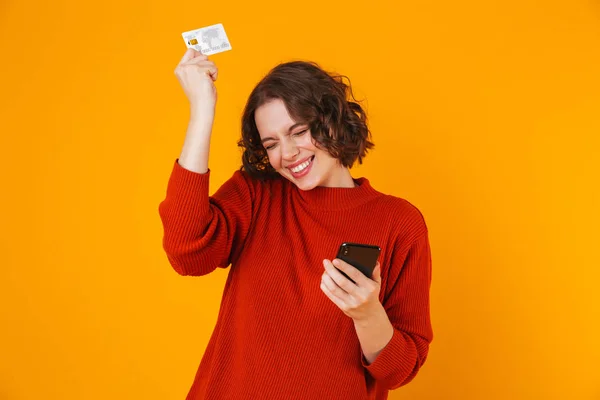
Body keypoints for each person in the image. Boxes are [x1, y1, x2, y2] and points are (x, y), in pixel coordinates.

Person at [158, 48, 433, 400]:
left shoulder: (399, 222)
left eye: (299, 131)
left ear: (333, 120)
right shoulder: (257, 193)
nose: (286, 154)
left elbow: (400, 370)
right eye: (271, 143)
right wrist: (201, 111)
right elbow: (186, 251)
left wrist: (367, 314)